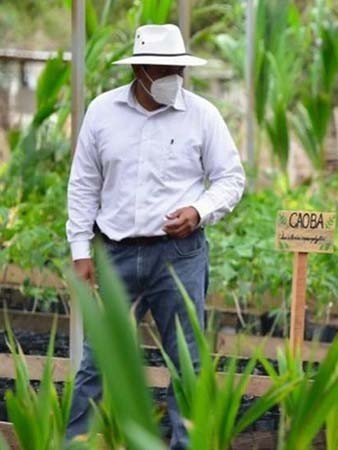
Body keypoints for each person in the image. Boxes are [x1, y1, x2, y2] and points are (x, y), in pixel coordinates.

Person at [65, 24, 245, 449]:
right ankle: (77, 443)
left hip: (179, 255)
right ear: (140, 69)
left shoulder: (202, 114)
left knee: (187, 363)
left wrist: (198, 211)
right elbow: (83, 183)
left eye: (178, 68)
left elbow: (230, 178)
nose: (174, 77)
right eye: (163, 68)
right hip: (115, 254)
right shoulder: (102, 112)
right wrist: (79, 248)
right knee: (97, 362)